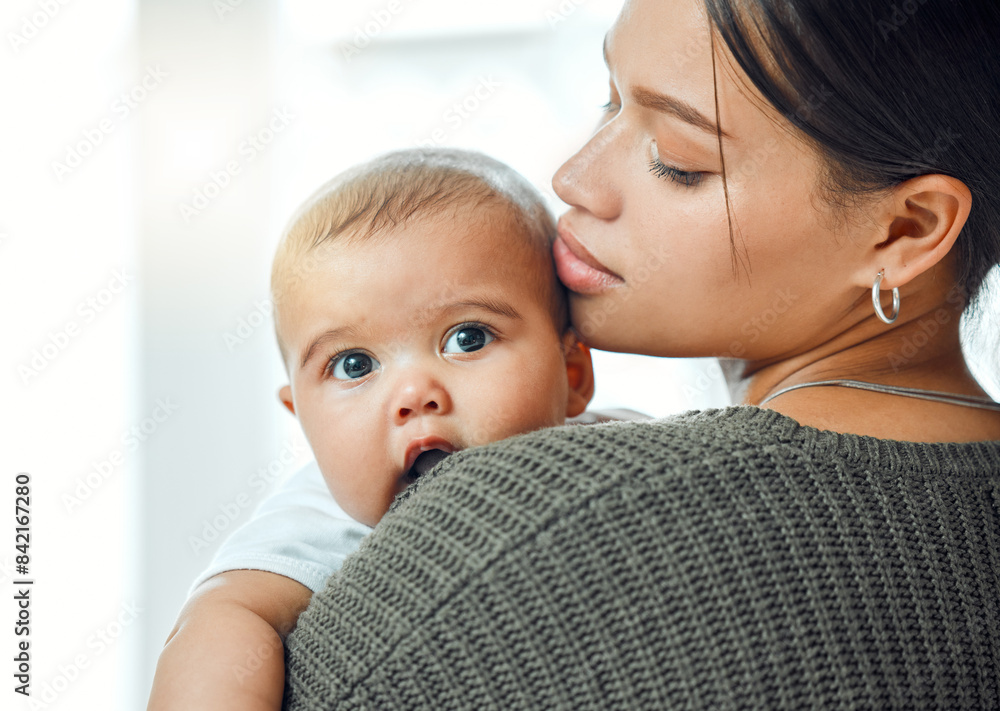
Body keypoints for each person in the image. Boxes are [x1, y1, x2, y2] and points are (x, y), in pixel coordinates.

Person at [278, 0, 1000, 708]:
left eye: (676, 162)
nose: (574, 178)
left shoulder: (516, 521)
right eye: (609, 101)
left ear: (905, 228)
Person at [147, 147, 613, 709]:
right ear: (304, 421)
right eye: (354, 365)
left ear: (573, 373)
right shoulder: (320, 518)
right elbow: (223, 617)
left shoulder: (619, 448)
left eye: (468, 338)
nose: (415, 394)